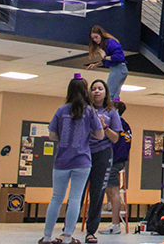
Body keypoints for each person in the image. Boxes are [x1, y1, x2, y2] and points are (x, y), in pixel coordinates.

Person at [40, 74, 104, 244]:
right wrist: (86, 132)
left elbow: (52, 135)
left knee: (56, 198)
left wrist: (64, 137)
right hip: (82, 161)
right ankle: (68, 236)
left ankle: (47, 237)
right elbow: (100, 134)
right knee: (75, 199)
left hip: (62, 161)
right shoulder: (90, 111)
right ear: (85, 91)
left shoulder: (61, 111)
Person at [84, 79, 122, 243]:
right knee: (78, 193)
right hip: (84, 153)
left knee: (97, 193)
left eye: (100, 89)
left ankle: (91, 231)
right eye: (93, 89)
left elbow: (115, 139)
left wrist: (104, 127)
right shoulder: (86, 110)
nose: (96, 91)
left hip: (103, 154)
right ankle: (67, 230)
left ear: (106, 92)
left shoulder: (111, 112)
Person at [99, 99, 132, 235]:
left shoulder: (115, 125)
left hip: (113, 161)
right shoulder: (126, 126)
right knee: (111, 191)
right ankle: (110, 207)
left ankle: (115, 225)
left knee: (114, 192)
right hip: (120, 161)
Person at [87, 25, 128, 101]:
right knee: (115, 94)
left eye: (96, 37)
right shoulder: (107, 44)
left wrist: (105, 57)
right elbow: (108, 60)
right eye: (93, 38)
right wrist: (96, 64)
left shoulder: (110, 42)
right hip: (120, 69)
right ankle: (114, 109)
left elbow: (120, 57)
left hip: (118, 68)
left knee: (109, 93)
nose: (95, 40)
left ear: (101, 35)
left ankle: (109, 110)